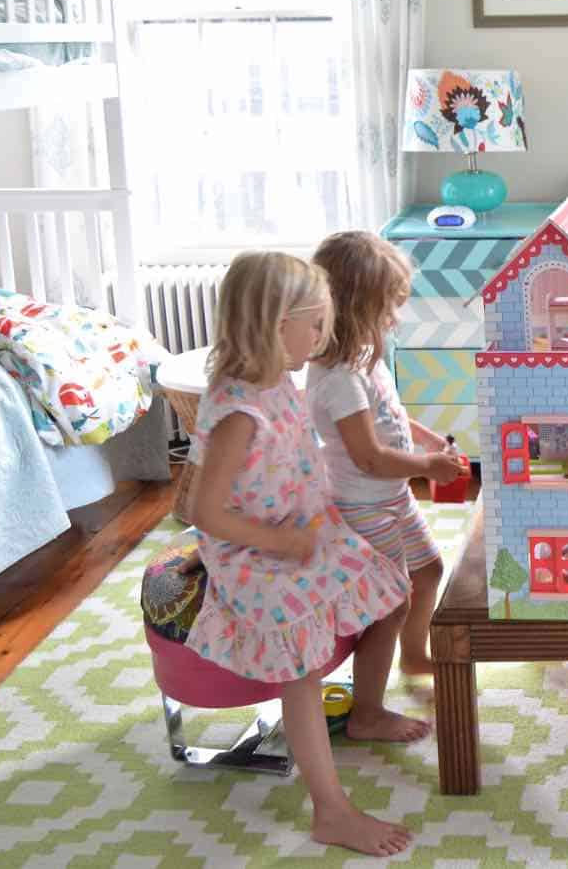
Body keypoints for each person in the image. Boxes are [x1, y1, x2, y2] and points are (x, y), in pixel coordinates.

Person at [186, 250, 427, 858]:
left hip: (297, 525)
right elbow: (203, 511)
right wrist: (278, 543)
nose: (323, 336)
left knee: (389, 588)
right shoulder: (239, 408)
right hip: (258, 549)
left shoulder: (276, 381)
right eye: (315, 324)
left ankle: (365, 711)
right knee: (300, 670)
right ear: (275, 325)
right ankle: (331, 810)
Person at [307, 231, 464, 679]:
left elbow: (388, 416)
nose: (395, 317)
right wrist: (429, 466)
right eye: (388, 306)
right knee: (390, 605)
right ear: (356, 307)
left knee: (429, 570)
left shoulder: (363, 356)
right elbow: (369, 456)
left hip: (389, 497)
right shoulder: (339, 377)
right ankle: (367, 710)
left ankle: (414, 656)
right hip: (363, 505)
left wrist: (428, 440)